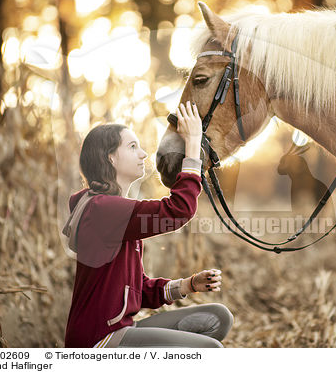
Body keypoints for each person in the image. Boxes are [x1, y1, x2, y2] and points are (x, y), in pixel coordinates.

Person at [63, 101, 233, 348]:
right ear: (110, 158)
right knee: (209, 350)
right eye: (133, 147)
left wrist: (188, 284)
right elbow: (178, 210)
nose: (143, 154)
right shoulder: (101, 210)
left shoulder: (114, 211)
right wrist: (193, 145)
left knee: (217, 318)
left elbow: (137, 290)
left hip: (122, 329)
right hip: (99, 340)